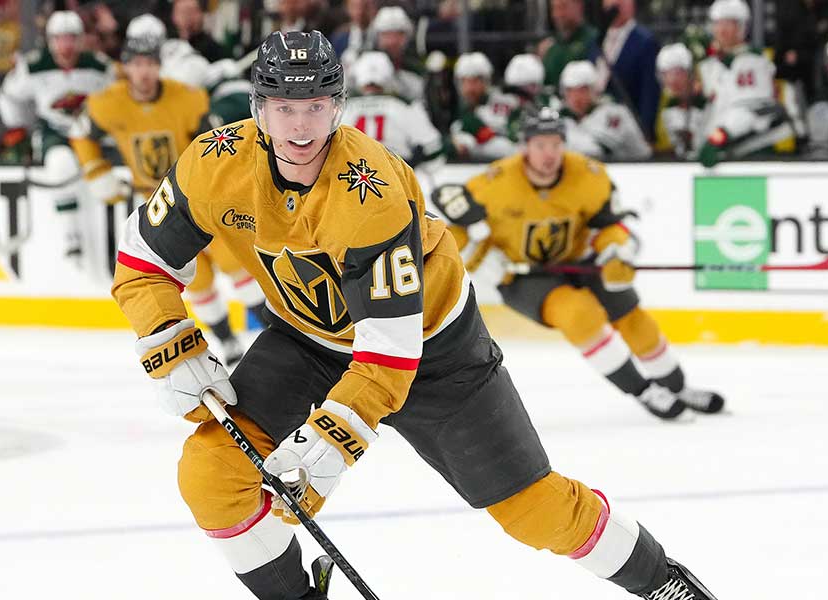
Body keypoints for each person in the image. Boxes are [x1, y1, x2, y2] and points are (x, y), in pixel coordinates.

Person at [111, 29, 719, 600]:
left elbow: (389, 350)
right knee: (211, 475)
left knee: (535, 511)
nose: (301, 128)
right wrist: (168, 336)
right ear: (257, 108)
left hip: (434, 353)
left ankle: (663, 583)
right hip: (308, 343)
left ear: (339, 107)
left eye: (317, 106)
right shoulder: (214, 160)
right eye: (284, 107)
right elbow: (142, 259)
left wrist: (335, 440)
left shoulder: (370, 190)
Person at [437, 106, 723, 421]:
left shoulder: (588, 175)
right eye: (540, 145)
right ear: (525, 147)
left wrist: (615, 251)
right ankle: (643, 390)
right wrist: (479, 260)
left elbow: (608, 225)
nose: (549, 154)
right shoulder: (494, 183)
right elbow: (457, 229)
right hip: (522, 276)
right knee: (579, 314)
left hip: (579, 261)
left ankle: (678, 387)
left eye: (556, 144)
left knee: (631, 315)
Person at [70, 25, 262, 365]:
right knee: (196, 277)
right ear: (126, 66)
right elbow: (80, 132)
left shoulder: (188, 98)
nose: (144, 72)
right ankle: (228, 342)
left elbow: (213, 143)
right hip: (155, 201)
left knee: (236, 263)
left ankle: (275, 334)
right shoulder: (107, 103)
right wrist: (96, 171)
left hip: (196, 195)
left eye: (150, 63)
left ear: (160, 66)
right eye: (137, 64)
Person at [0, 10, 113, 262]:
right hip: (54, 131)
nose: (66, 46)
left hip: (92, 132)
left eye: (71, 38)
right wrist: (19, 126)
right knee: (61, 165)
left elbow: (118, 99)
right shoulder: (33, 66)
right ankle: (71, 235)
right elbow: (8, 96)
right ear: (50, 40)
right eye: (60, 39)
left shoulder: (100, 66)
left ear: (81, 40)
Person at [696, 0, 793, 166]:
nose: (722, 30)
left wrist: (718, 137)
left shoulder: (752, 62)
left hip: (755, 149)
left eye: (729, 24)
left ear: (741, 27)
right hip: (729, 150)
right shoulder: (713, 65)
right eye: (718, 23)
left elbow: (750, 111)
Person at [342, 51, 446, 176]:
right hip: (395, 175)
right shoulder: (404, 105)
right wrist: (413, 162)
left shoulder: (343, 107)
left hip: (351, 175)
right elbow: (433, 146)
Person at [558, 60, 652, 160]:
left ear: (594, 90)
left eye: (582, 90)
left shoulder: (615, 114)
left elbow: (597, 152)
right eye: (570, 91)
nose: (576, 97)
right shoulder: (563, 118)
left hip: (637, 170)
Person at [596, 0, 661, 140]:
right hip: (598, 125)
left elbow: (649, 91)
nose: (616, 3)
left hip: (629, 129)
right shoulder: (597, 39)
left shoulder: (645, 42)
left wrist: (646, 131)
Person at [448, 51, 518, 160]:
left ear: (486, 81)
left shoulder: (503, 103)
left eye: (474, 81)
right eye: (464, 82)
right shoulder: (459, 111)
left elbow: (511, 148)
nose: (469, 88)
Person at [653, 43, 708, 159]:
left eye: (678, 72)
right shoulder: (665, 103)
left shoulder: (705, 102)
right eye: (666, 74)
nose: (673, 80)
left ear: (689, 73)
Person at [369, 6, 427, 103]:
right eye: (387, 34)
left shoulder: (416, 70)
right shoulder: (363, 66)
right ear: (377, 37)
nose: (393, 41)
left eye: (399, 34)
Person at [539, 0, 598, 87]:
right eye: (554, 8)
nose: (557, 14)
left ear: (579, 6)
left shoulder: (594, 40)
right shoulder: (551, 46)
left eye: (563, 7)